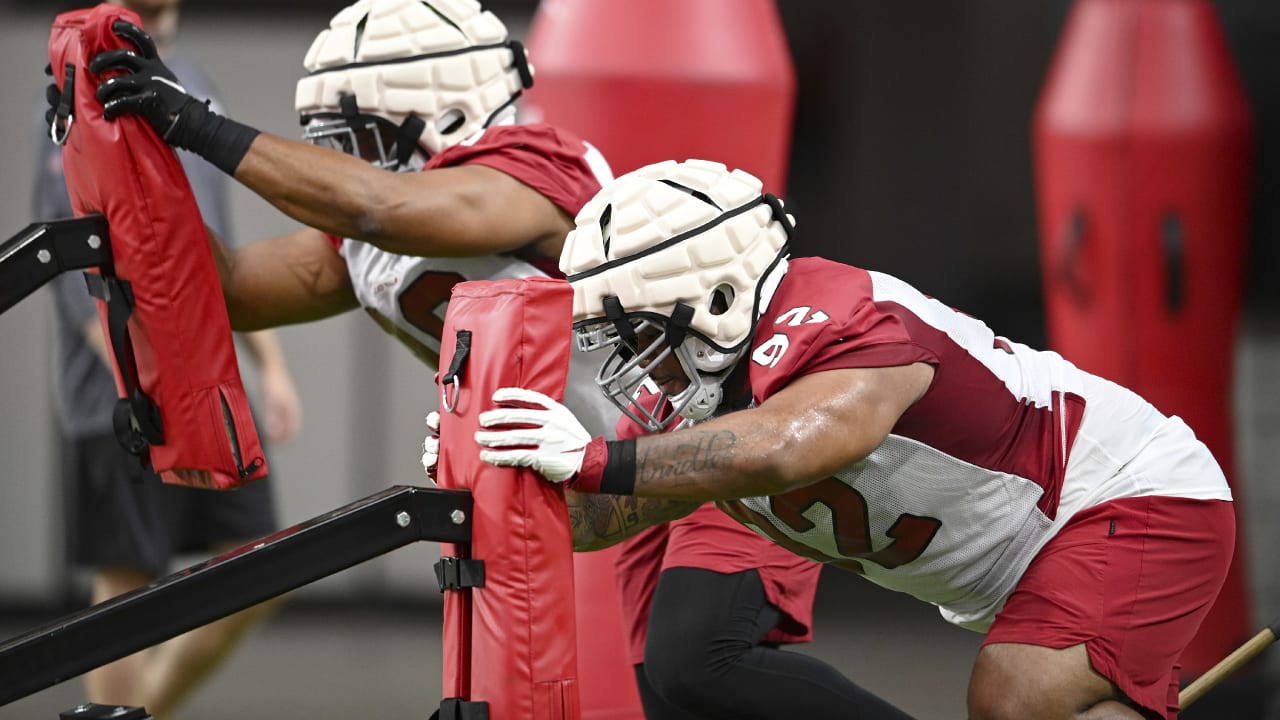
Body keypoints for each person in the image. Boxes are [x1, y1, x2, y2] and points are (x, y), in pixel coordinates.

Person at [77, 1, 892, 717]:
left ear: (432, 108)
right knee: (679, 692)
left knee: (703, 663)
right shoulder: (364, 229)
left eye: (354, 130)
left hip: (715, 421)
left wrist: (198, 123)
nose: (339, 149)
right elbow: (233, 290)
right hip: (626, 467)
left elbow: (384, 205)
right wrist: (131, 152)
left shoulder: (532, 167)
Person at [471, 158, 1237, 720]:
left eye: (641, 335)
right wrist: (491, 469)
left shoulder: (846, 316)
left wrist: (595, 456)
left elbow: (791, 445)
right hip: (1022, 550)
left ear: (719, 299)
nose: (638, 365)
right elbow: (597, 520)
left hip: (1127, 492)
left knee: (1018, 696)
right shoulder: (705, 382)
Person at [32, 0, 303, 717]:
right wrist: (141, 383)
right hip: (121, 390)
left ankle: (148, 708)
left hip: (202, 373)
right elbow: (78, 266)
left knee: (260, 565)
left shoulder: (188, 81)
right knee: (127, 581)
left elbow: (214, 249)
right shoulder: (72, 100)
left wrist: (268, 366)